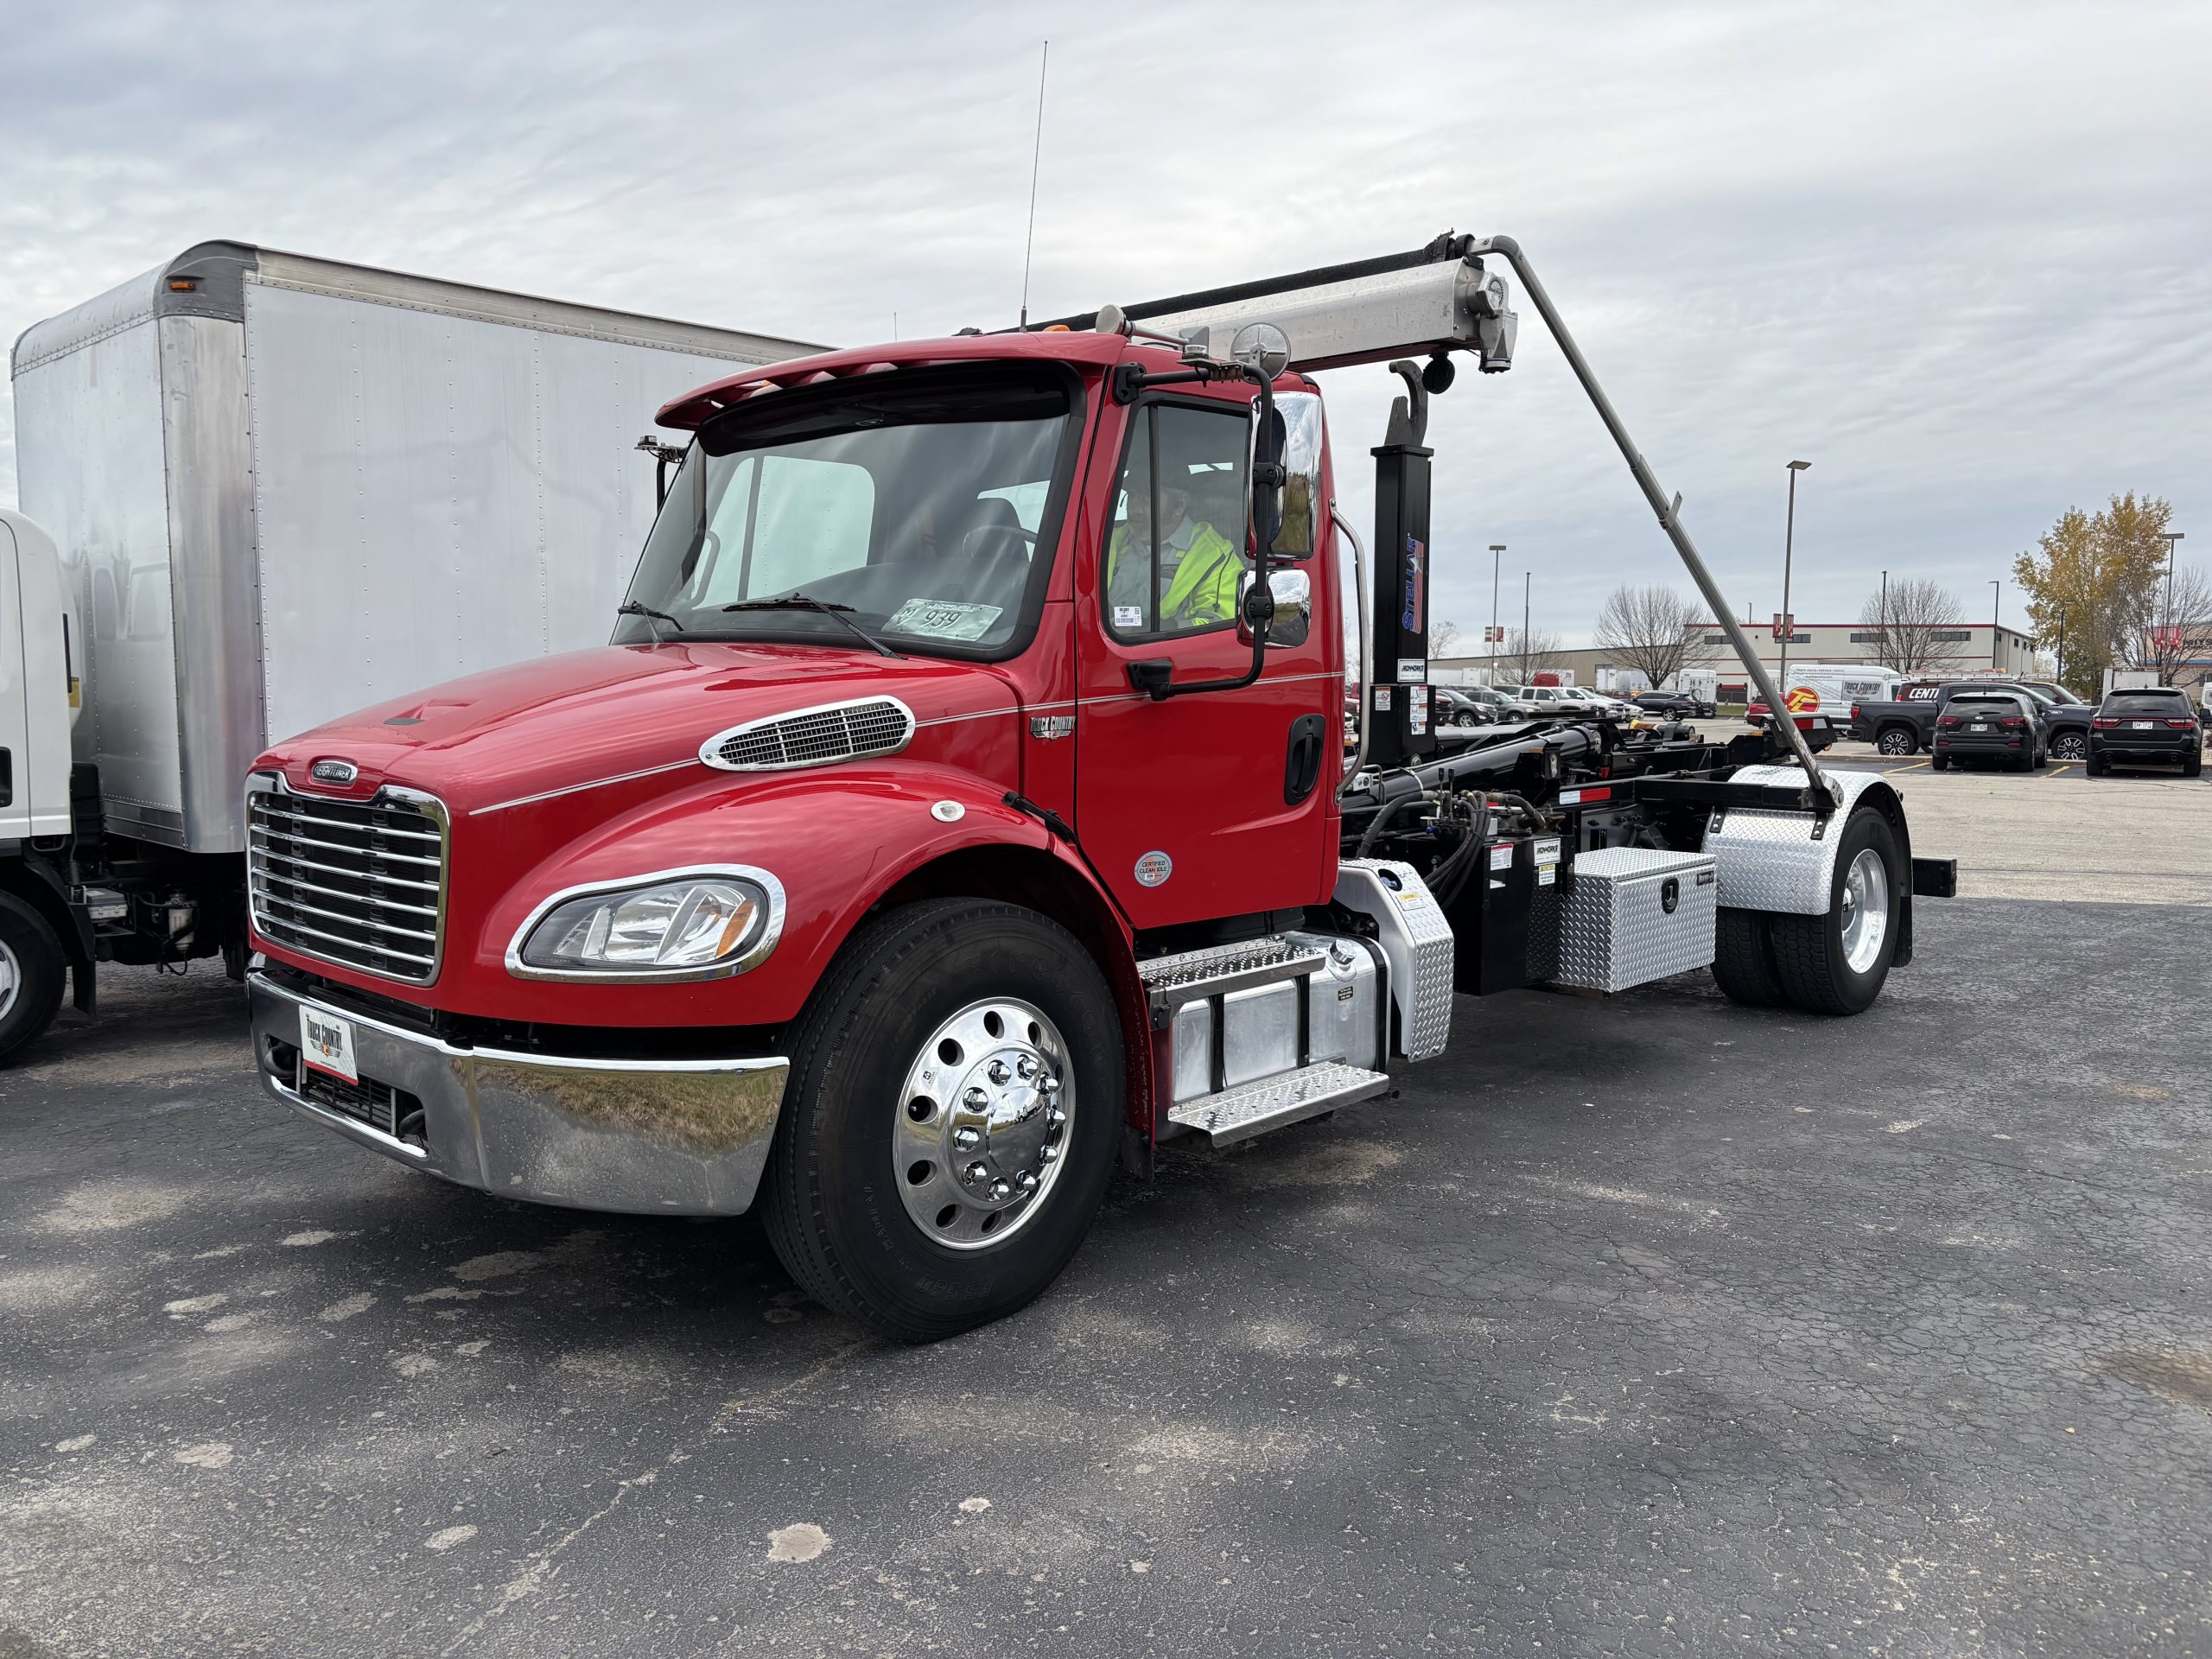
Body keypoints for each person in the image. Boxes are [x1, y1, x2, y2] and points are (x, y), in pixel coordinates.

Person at [1107, 475, 1244, 632]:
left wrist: (1150, 630)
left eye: (1146, 496)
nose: (1134, 510)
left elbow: (1219, 625)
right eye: (1132, 496)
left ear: (1180, 504)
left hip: (1162, 653)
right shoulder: (1108, 542)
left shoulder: (1215, 556)